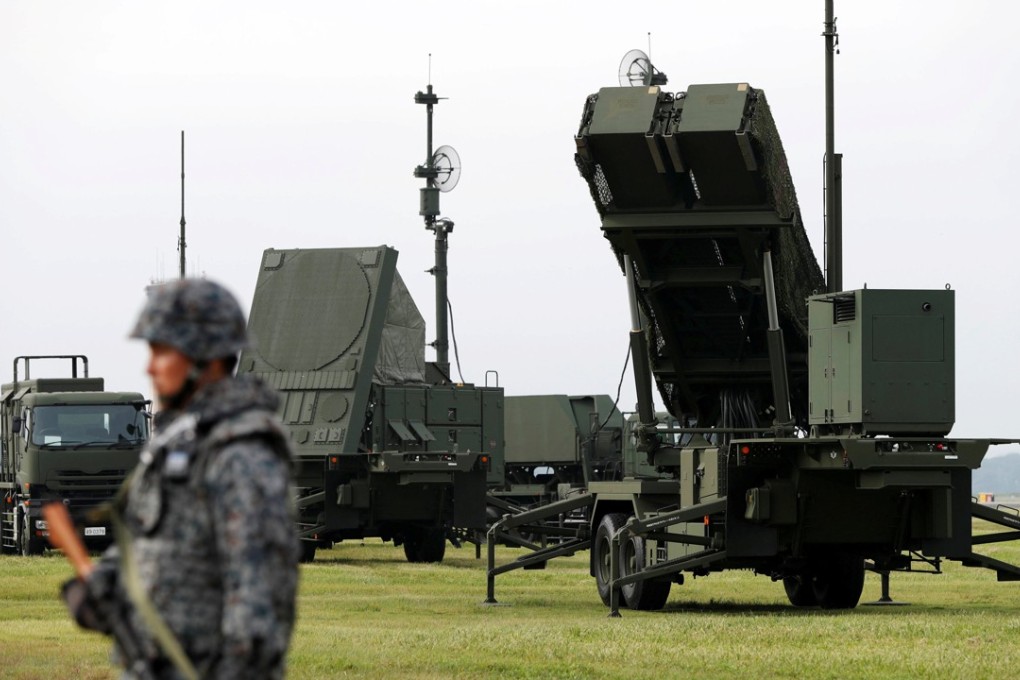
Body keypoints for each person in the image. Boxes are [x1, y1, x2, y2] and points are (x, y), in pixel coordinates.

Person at [62, 278, 300, 679]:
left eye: (162, 351)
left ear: (206, 359)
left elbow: (258, 617)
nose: (149, 366)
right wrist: (102, 589)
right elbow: (147, 546)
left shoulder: (240, 457)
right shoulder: (175, 445)